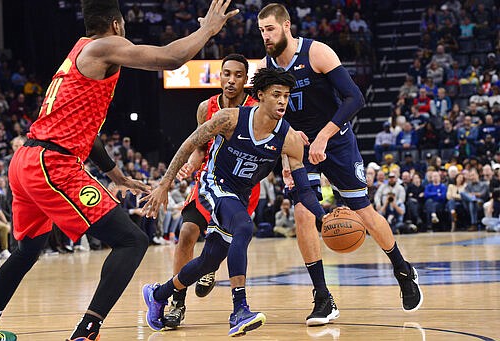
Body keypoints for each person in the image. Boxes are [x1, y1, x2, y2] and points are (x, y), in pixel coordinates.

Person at [0, 1, 239, 340]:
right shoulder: (106, 45)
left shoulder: (79, 50)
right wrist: (208, 29)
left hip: (27, 163)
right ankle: (86, 333)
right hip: (52, 164)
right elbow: (171, 58)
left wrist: (115, 174)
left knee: (29, 249)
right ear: (118, 25)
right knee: (131, 240)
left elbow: (85, 130)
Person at [257, 3, 422, 325]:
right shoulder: (266, 67)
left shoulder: (317, 53)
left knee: (364, 212)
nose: (265, 36)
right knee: (303, 212)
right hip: (300, 148)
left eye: (270, 29)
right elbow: (269, 116)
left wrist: (322, 138)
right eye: (262, 30)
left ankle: (402, 269)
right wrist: (286, 154)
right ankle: (322, 296)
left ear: (286, 25)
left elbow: (355, 98)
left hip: (337, 141)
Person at [141, 68, 331, 337]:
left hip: (239, 195)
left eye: (286, 96)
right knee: (243, 227)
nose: (282, 102)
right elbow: (188, 145)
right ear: (260, 95)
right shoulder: (229, 119)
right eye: (276, 95)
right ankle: (239, 309)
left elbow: (304, 190)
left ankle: (158, 294)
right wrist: (164, 184)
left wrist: (324, 216)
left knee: (210, 260)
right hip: (213, 183)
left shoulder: (288, 138)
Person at [163, 54, 259, 329]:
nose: (231, 80)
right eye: (226, 74)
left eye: (238, 75)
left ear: (246, 80)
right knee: (186, 233)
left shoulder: (255, 109)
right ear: (220, 76)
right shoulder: (206, 107)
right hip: (210, 179)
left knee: (221, 249)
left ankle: (210, 266)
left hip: (242, 186)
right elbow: (199, 147)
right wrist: (190, 165)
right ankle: (177, 302)